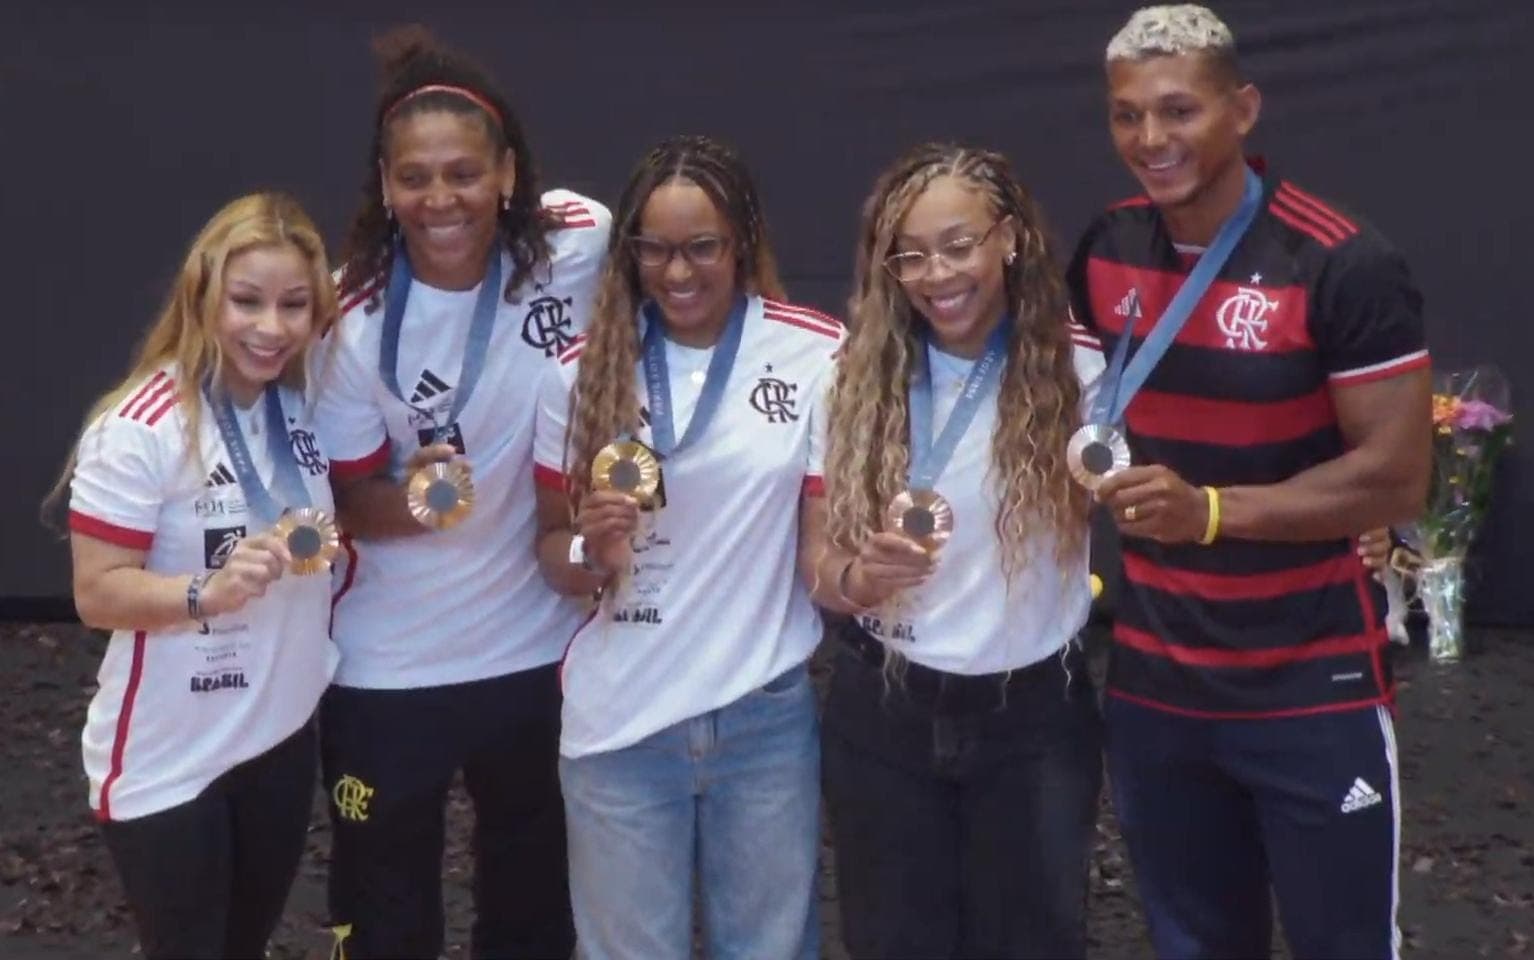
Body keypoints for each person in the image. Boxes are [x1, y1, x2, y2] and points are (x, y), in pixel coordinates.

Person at [1066, 6, 1432, 957]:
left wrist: (1214, 512)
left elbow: (1396, 479)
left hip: (1311, 682)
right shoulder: (1104, 249)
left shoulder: (1341, 261)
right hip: (1156, 685)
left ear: (1244, 109)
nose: (1151, 139)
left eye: (1179, 110)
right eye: (1127, 116)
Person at [311, 26, 609, 959]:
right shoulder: (347, 320)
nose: (441, 198)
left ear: (508, 173)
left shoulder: (579, 240)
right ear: (385, 186)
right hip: (388, 666)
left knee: (532, 910)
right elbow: (351, 501)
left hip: (536, 651)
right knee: (385, 915)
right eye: (415, 177)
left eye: (464, 173)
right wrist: (418, 503)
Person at [532, 134, 837, 960]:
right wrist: (591, 552)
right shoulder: (578, 371)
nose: (677, 273)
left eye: (702, 247)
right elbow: (552, 558)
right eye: (655, 249)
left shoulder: (815, 353)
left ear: (742, 242)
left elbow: (822, 544)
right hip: (620, 728)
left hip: (763, 718)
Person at [809, 142, 1106, 959]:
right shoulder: (851, 380)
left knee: (1036, 941)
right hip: (885, 714)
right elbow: (821, 563)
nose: (937, 274)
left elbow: (1135, 491)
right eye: (911, 255)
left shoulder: (1078, 372)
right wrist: (856, 577)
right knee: (892, 941)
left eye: (958, 244)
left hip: (1034, 719)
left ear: (1008, 238)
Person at [52, 192, 340, 959]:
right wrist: (202, 593)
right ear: (203, 294)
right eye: (246, 301)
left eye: (293, 305)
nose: (270, 328)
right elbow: (97, 591)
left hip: (277, 734)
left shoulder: (305, 408)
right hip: (170, 756)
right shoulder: (141, 427)